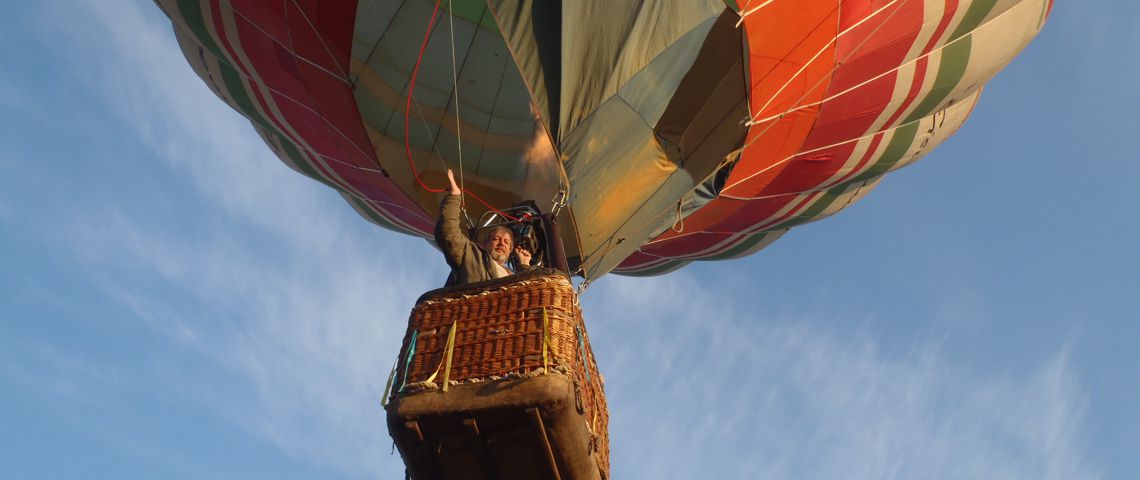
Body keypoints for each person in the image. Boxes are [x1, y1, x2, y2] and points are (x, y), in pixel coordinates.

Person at [435, 169, 532, 286]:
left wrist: (524, 265)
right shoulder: (471, 257)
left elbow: (528, 296)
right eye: (497, 239)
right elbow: (449, 234)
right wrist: (455, 197)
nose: (502, 244)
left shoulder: (512, 275)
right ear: (484, 243)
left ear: (510, 250)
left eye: (507, 242)